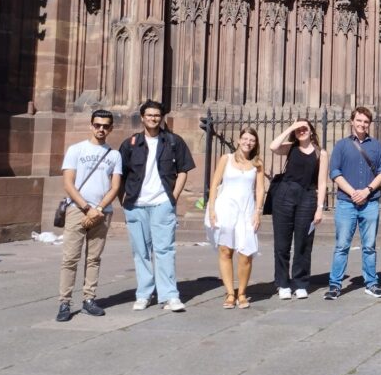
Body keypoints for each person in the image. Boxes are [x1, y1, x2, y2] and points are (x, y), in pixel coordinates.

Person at [119, 100, 196, 312]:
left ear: (161, 117)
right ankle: (144, 293)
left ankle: (169, 295)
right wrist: (123, 202)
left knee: (165, 250)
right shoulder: (130, 144)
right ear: (142, 117)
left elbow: (183, 170)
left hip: (162, 202)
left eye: (156, 115)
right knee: (141, 252)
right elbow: (120, 176)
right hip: (136, 203)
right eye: (149, 115)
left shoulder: (173, 141)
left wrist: (173, 196)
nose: (153, 118)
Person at [56, 110, 123, 322]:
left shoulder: (114, 155)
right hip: (78, 209)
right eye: (97, 125)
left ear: (111, 128)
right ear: (91, 125)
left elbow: (115, 187)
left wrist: (99, 209)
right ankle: (65, 302)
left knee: (93, 258)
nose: (101, 129)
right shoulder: (76, 150)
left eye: (105, 126)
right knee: (70, 258)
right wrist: (87, 208)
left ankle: (89, 299)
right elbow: (68, 183)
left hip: (102, 212)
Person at [326, 107, 381, 300]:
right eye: (359, 120)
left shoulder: (377, 146)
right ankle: (335, 285)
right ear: (352, 121)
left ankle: (371, 283)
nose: (362, 124)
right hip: (347, 202)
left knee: (369, 246)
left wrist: (367, 191)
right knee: (342, 246)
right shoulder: (341, 145)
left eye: (366, 122)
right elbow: (335, 172)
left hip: (370, 202)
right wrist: (353, 192)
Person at [205, 128, 264, 309]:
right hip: (225, 208)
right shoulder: (226, 159)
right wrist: (212, 208)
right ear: (238, 140)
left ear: (255, 143)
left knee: (246, 254)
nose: (248, 142)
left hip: (246, 210)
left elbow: (260, 188)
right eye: (245, 138)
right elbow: (215, 184)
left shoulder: (257, 163)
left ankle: (243, 292)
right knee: (226, 250)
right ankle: (231, 293)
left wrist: (258, 211)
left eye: (252, 140)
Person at [268, 120, 327, 300]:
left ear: (311, 131)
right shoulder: (290, 147)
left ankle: (300, 282)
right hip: (285, 194)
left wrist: (319, 208)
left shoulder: (320, 153)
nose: (302, 131)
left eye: (305, 128)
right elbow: (273, 146)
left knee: (303, 242)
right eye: (299, 129)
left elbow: (322, 182)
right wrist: (290, 128)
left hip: (307, 196)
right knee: (282, 243)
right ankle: (283, 283)